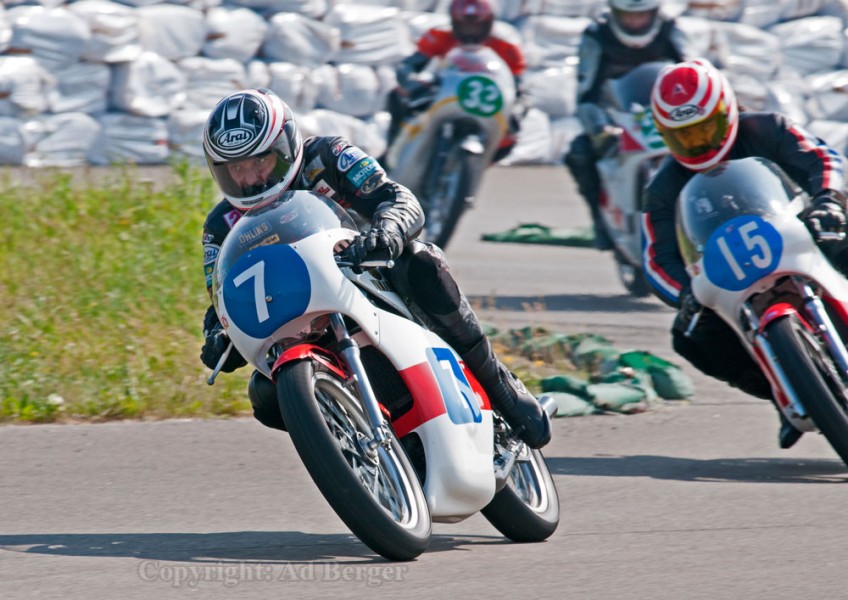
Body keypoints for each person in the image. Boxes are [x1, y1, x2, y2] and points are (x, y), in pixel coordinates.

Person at [199, 87, 551, 448]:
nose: (250, 179)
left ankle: (501, 387)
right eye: (236, 169)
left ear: (286, 148)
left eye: (260, 162)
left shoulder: (328, 156)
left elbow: (398, 198)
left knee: (422, 264)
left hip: (367, 276)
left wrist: (387, 231)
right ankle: (350, 449)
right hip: (297, 318)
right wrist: (216, 338)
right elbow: (221, 298)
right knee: (264, 397)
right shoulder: (220, 227)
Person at [642, 58, 848, 449]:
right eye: (683, 137)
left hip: (803, 228)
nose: (698, 144)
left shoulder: (770, 128)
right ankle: (788, 387)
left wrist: (828, 201)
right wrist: (685, 294)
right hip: (730, 273)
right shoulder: (663, 188)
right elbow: (655, 260)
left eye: (705, 130)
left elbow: (822, 159)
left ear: (727, 112)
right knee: (691, 337)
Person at [564, 0, 689, 250]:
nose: (635, 22)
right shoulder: (597, 35)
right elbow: (586, 91)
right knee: (580, 153)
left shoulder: (670, 29)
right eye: (628, 16)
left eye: (642, 16)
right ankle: (601, 223)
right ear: (615, 13)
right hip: (615, 116)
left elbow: (691, 73)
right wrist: (598, 128)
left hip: (666, 113)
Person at [384, 0, 526, 163]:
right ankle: (392, 153)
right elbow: (410, 64)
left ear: (488, 23)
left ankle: (475, 166)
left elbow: (519, 85)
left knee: (511, 134)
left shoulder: (506, 45)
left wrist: (517, 110)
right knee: (398, 97)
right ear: (454, 22)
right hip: (445, 92)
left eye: (476, 26)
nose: (470, 32)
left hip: (486, 102)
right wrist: (411, 81)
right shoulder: (439, 36)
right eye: (464, 26)